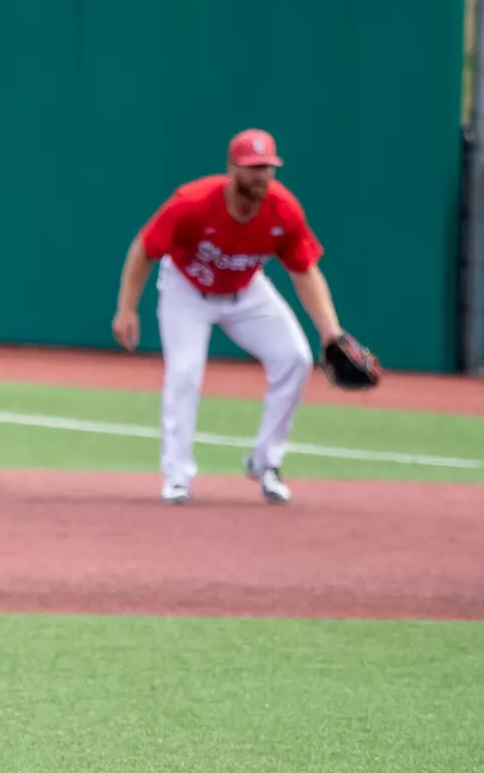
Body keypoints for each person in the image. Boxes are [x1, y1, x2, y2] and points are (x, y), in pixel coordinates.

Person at [110, 129, 353, 506]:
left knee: (296, 358)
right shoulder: (192, 202)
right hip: (186, 290)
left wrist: (330, 332)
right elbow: (144, 248)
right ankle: (177, 476)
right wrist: (126, 309)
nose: (261, 175)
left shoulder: (283, 210)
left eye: (267, 167)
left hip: (246, 291)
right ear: (232, 168)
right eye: (253, 166)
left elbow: (305, 270)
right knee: (185, 372)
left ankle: (266, 463)